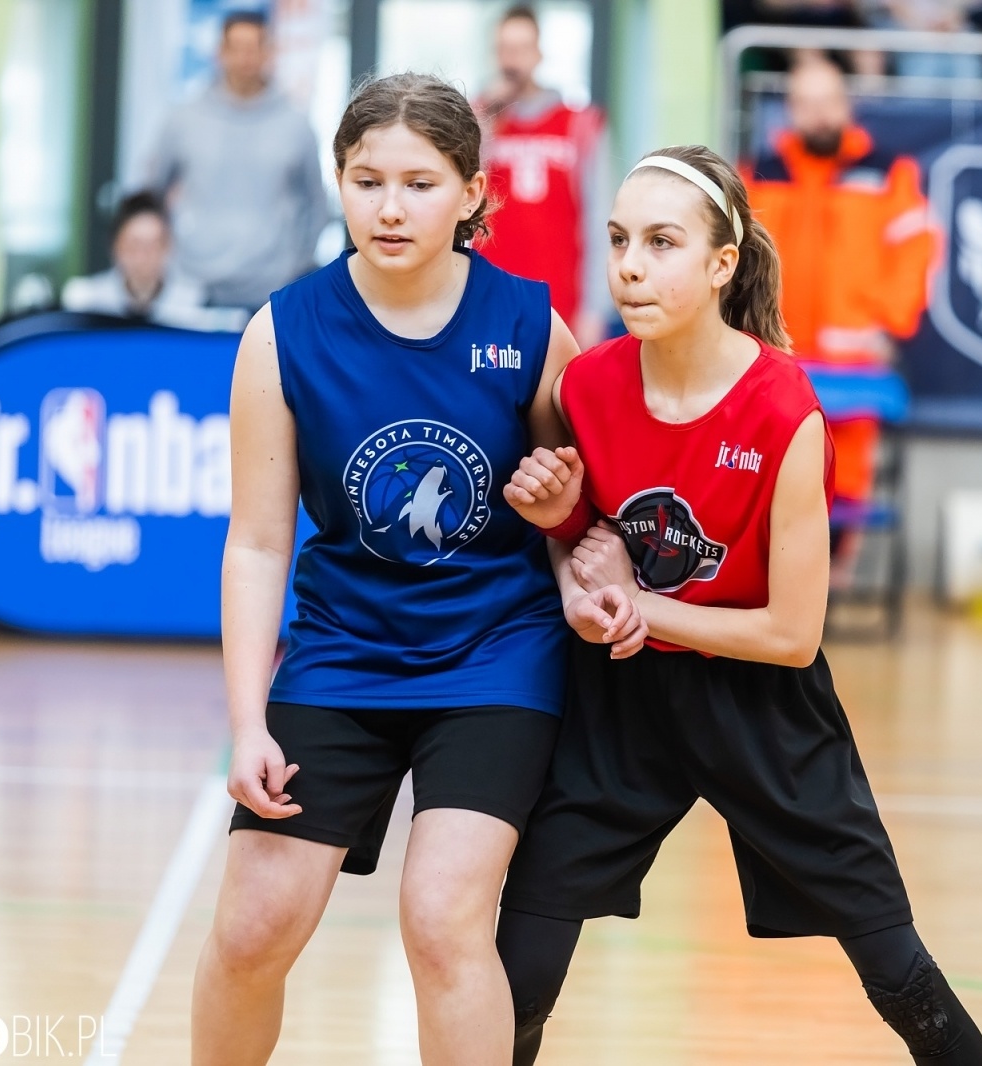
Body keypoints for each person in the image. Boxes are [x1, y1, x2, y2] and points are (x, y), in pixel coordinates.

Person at [494, 145, 982, 1066]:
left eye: (661, 242)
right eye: (617, 240)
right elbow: (587, 544)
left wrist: (641, 602)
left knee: (895, 969)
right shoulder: (588, 385)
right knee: (517, 969)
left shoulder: (783, 411)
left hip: (761, 705)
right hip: (622, 703)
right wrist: (561, 530)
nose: (630, 265)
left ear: (723, 263)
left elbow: (792, 636)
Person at [191, 72, 643, 1066]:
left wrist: (574, 531)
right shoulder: (282, 332)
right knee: (250, 927)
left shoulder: (529, 327)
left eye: (420, 183)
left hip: (495, 655)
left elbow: (581, 514)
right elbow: (259, 541)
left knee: (442, 922)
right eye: (365, 180)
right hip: (344, 650)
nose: (389, 207)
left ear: (472, 194)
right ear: (338, 184)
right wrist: (245, 722)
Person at [742, 56, 935, 574]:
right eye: (807, 104)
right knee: (770, 485)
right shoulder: (760, 172)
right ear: (790, 111)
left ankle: (819, 599)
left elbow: (916, 252)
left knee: (843, 493)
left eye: (829, 102)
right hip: (775, 360)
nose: (821, 115)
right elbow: (734, 258)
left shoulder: (889, 171)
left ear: (847, 105)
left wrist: (890, 324)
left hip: (855, 366)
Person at [139, 11, 330, 313]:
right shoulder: (182, 119)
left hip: (271, 289)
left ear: (269, 53)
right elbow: (150, 196)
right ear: (220, 52)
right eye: (236, 48)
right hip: (192, 285)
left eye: (254, 47)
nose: (246, 58)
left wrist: (297, 265)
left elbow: (315, 203)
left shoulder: (296, 124)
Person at [474, 4, 612, 348]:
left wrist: (595, 307)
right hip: (488, 300)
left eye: (521, 49)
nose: (512, 61)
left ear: (538, 54)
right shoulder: (479, 120)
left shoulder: (580, 124)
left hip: (560, 302)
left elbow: (602, 220)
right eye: (505, 50)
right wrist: (486, 116)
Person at [61, 192, 245, 331]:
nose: (143, 256)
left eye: (153, 246)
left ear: (168, 247)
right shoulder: (86, 302)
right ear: (115, 247)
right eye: (135, 245)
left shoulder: (195, 305)